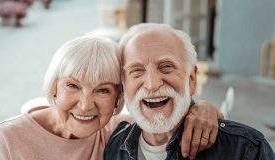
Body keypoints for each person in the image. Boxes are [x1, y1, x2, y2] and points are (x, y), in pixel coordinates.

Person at [0, 36, 221, 160]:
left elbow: (165, 117)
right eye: (72, 86)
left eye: (102, 90)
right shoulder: (6, 140)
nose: (85, 104)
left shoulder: (117, 131)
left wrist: (202, 108)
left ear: (118, 98)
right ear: (54, 88)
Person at [104, 23, 275, 160]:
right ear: (124, 84)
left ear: (192, 79)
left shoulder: (244, 149)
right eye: (137, 71)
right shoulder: (113, 145)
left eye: (166, 67)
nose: (152, 84)